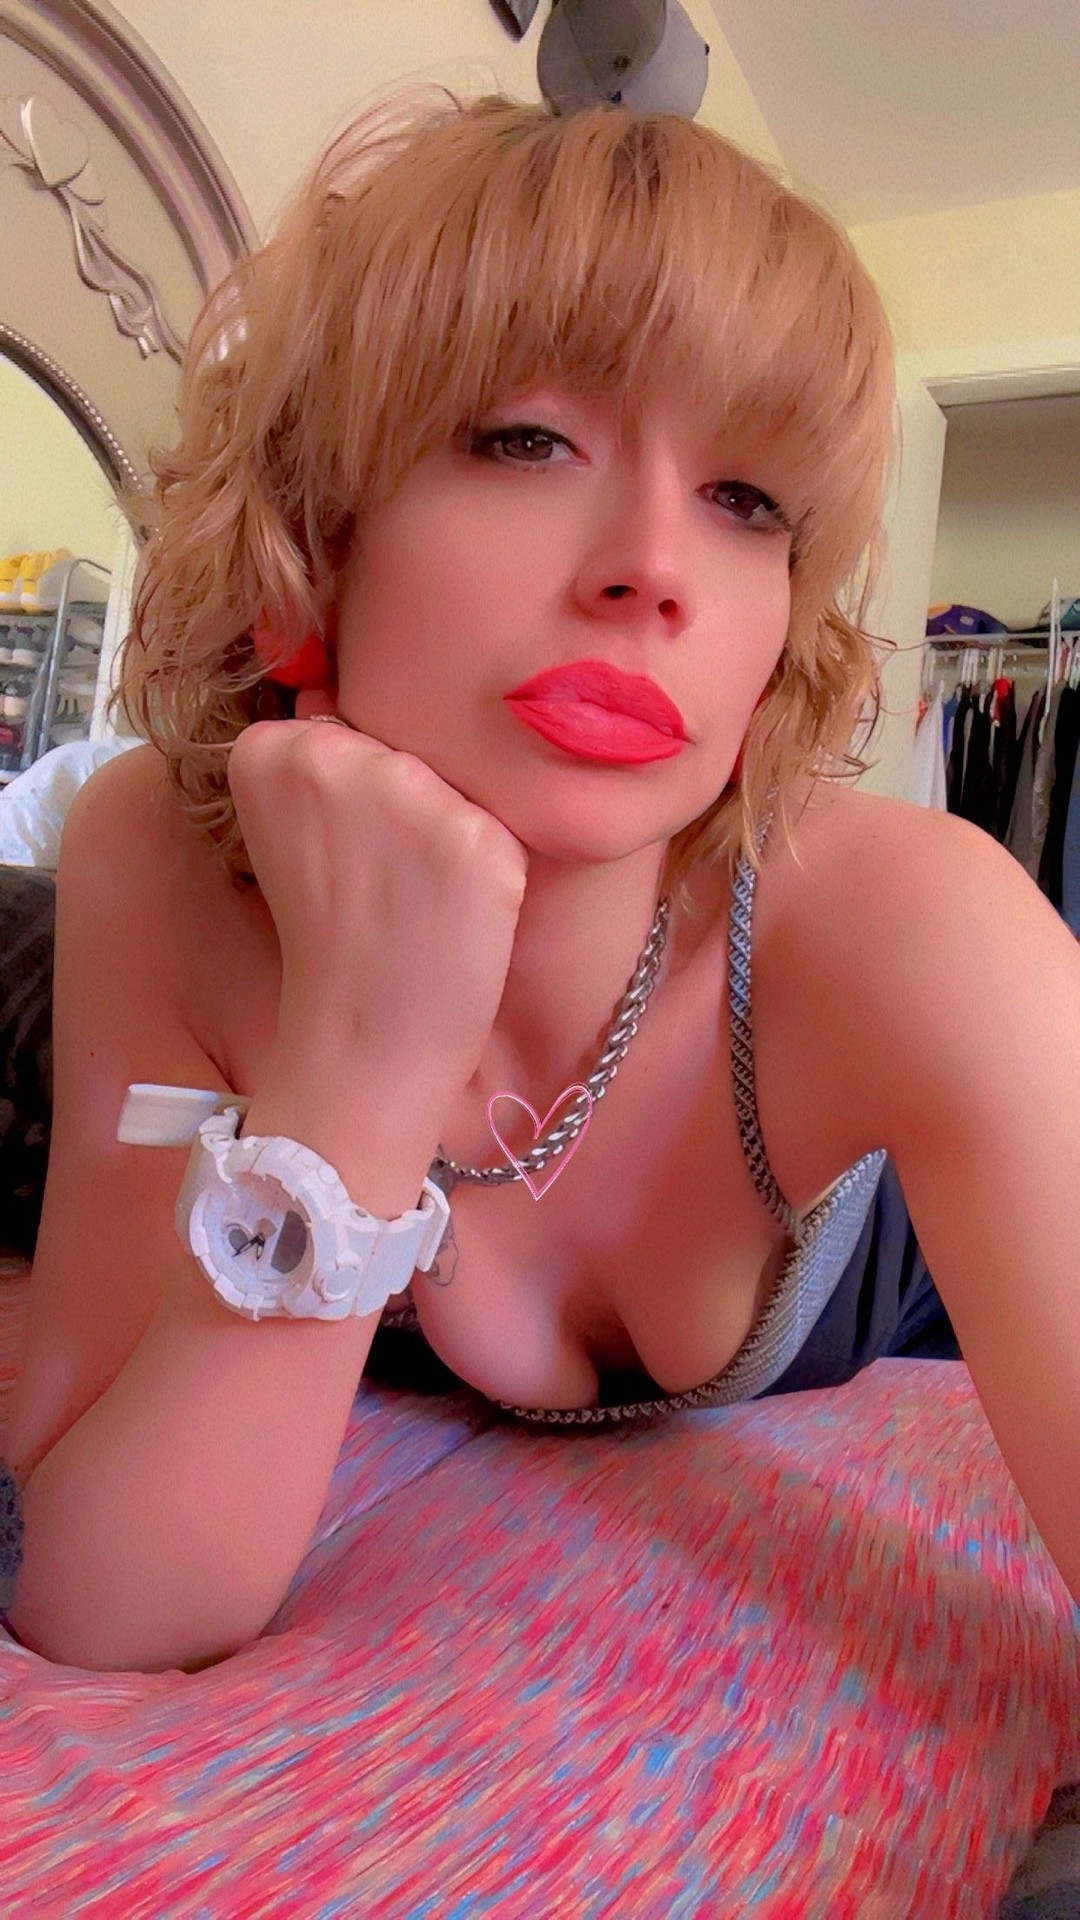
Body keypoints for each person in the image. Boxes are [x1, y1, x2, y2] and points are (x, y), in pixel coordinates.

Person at [1, 89, 1077, 1675]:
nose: (655, 567)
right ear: (316, 532)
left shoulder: (921, 923)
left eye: (748, 501)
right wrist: (360, 1065)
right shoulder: (153, 855)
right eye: (525, 438)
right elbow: (108, 1603)